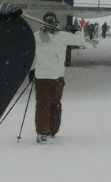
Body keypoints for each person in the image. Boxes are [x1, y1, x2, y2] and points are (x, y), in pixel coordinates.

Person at [29, 12, 85, 143]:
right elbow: (80, 41)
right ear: (55, 23)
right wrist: (76, 30)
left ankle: (43, 132)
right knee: (55, 104)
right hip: (56, 78)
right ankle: (52, 130)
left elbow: (30, 53)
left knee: (42, 105)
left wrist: (31, 70)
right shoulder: (62, 36)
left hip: (42, 78)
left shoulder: (36, 36)